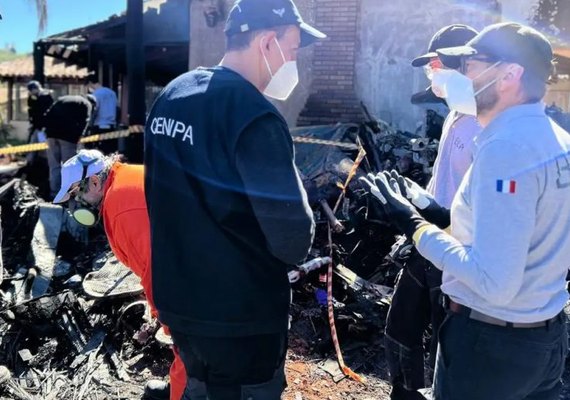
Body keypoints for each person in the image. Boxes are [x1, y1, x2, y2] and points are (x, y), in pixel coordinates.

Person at [362, 22, 570, 400]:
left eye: (471, 66)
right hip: (542, 338)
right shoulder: (556, 141)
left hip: (491, 346)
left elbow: (494, 280)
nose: (464, 78)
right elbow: (514, 228)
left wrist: (415, 227)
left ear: (510, 74)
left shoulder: (506, 150)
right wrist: (431, 209)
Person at [144, 0, 324, 398]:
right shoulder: (254, 115)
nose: (292, 62)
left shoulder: (173, 95)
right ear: (266, 43)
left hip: (182, 306)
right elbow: (293, 240)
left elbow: (157, 196)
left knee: (199, 389)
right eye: (292, 50)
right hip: (242, 317)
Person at [383, 24, 480, 400]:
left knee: (446, 338)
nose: (432, 75)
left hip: (455, 250)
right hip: (425, 239)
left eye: (437, 65)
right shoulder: (455, 116)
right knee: (401, 325)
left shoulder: (486, 127)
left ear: (463, 64)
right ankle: (403, 393)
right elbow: (443, 178)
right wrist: (413, 198)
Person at [52, 149, 190, 400]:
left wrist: (165, 315)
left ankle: (187, 393)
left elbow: (159, 270)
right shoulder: (126, 178)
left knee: (191, 344)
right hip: (200, 263)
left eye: (76, 192)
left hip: (194, 277)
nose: (78, 202)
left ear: (94, 181)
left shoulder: (121, 207)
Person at [43, 94, 95, 200]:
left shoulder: (62, 98)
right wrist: (80, 136)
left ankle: (54, 194)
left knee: (54, 166)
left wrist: (47, 132)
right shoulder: (87, 104)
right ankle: (68, 195)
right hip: (68, 137)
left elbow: (47, 113)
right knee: (70, 166)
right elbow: (85, 121)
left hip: (51, 135)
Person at [87, 75, 118, 154]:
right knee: (110, 151)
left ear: (90, 83)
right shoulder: (112, 93)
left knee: (99, 151)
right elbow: (117, 108)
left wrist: (90, 124)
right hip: (112, 125)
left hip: (99, 125)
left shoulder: (95, 94)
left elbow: (94, 110)